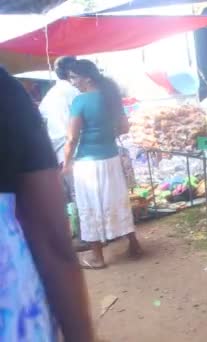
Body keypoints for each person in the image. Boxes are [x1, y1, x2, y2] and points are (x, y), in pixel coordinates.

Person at [0, 67, 94, 341]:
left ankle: (99, 250)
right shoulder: (6, 92)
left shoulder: (66, 98)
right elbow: (52, 241)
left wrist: (67, 155)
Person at [64, 59, 142, 269]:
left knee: (89, 206)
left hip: (88, 164)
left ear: (87, 78)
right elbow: (124, 127)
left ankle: (98, 258)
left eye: (74, 77)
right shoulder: (111, 97)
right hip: (111, 158)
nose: (72, 81)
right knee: (117, 201)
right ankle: (134, 246)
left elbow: (71, 138)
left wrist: (65, 163)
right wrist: (106, 135)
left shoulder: (80, 101)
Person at [39, 56, 80, 165]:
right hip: (76, 150)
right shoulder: (77, 92)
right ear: (72, 71)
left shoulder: (50, 95)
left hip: (57, 152)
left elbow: (41, 120)